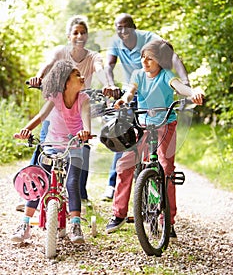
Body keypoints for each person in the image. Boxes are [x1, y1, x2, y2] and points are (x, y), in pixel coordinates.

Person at [105, 40, 204, 237]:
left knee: (166, 168)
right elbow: (130, 92)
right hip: (143, 125)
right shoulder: (138, 75)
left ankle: (167, 219)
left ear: (161, 60)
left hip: (165, 125)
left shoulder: (167, 75)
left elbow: (179, 87)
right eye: (143, 57)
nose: (145, 61)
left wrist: (193, 93)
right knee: (125, 165)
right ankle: (119, 214)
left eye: (150, 58)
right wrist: (124, 100)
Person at [101, 13, 190, 200]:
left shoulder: (149, 38)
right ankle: (113, 185)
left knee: (158, 156)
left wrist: (186, 82)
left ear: (134, 27)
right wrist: (112, 85)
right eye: (118, 27)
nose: (122, 31)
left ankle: (154, 189)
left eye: (126, 26)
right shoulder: (116, 42)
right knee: (123, 137)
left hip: (155, 93)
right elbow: (109, 65)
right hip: (132, 91)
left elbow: (172, 56)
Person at [28, 15, 111, 204]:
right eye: (75, 33)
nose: (79, 36)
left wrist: (107, 85)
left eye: (83, 32)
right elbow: (47, 65)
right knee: (44, 145)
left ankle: (80, 193)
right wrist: (38, 77)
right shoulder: (60, 52)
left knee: (82, 145)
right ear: (69, 36)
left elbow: (100, 69)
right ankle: (34, 192)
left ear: (87, 36)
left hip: (78, 106)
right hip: (58, 106)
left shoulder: (93, 56)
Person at [11, 60, 91, 243]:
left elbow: (86, 120)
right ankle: (24, 224)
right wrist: (26, 130)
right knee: (38, 183)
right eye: (77, 75)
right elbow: (41, 116)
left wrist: (85, 132)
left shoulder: (84, 99)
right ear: (65, 83)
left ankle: (76, 225)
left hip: (74, 147)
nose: (82, 77)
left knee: (72, 183)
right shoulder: (55, 97)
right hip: (52, 145)